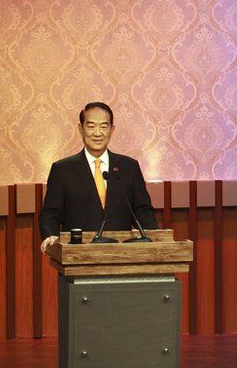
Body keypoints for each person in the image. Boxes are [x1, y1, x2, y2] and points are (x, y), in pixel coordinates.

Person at [39, 102, 158, 254]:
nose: (97, 133)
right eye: (91, 126)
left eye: (103, 126)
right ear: (80, 129)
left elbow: (143, 212)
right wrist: (50, 235)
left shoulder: (129, 167)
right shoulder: (62, 170)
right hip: (78, 256)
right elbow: (50, 214)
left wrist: (155, 239)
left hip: (122, 256)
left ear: (112, 129)